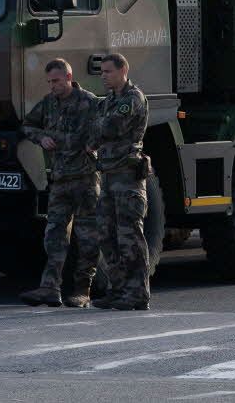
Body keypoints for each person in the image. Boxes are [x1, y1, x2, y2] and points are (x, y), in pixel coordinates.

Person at [19, 58, 102, 308]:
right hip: (60, 180)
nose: (52, 86)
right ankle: (50, 287)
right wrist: (42, 137)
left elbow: (99, 133)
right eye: (49, 82)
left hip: (85, 179)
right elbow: (27, 126)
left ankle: (82, 290)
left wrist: (83, 143)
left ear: (68, 77)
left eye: (56, 80)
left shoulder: (89, 102)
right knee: (54, 235)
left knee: (87, 237)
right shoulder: (48, 104)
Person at [90, 53, 152, 310]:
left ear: (123, 70)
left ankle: (138, 293)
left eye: (108, 72)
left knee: (129, 236)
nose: (104, 76)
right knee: (107, 235)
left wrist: (96, 127)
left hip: (127, 178)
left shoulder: (132, 98)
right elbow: (96, 131)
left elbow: (110, 128)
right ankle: (118, 290)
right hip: (108, 175)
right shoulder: (110, 101)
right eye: (102, 72)